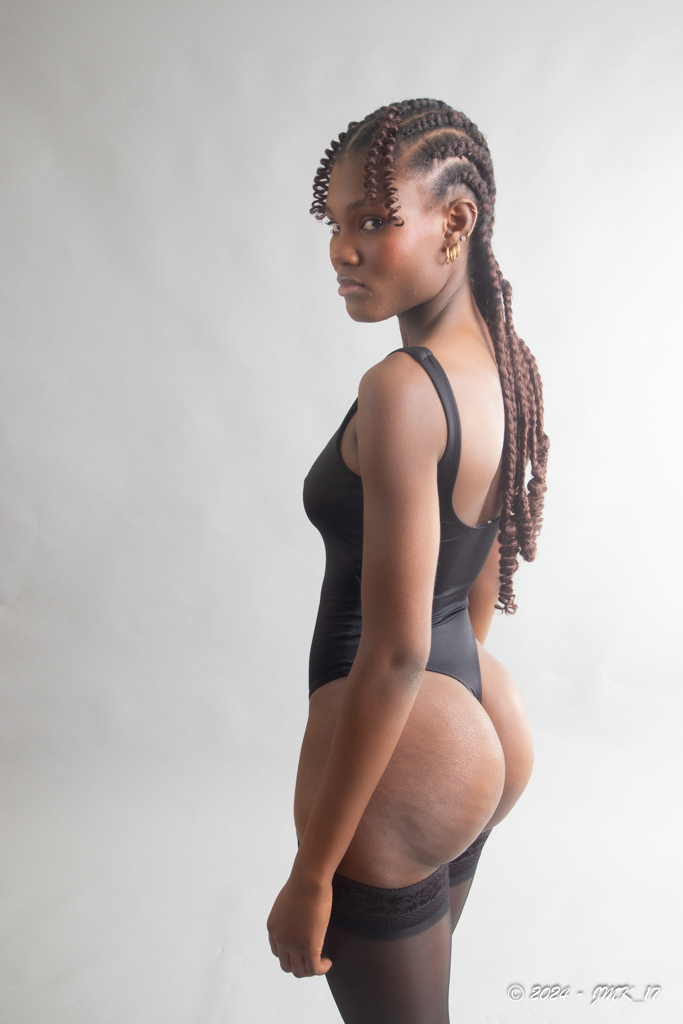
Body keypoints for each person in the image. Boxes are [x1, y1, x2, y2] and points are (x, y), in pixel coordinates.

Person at [266, 98, 549, 1024]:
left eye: (371, 222)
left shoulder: (401, 390)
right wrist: (456, 720)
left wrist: (312, 873)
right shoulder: (501, 363)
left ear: (454, 222)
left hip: (402, 752)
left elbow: (392, 655)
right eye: (335, 224)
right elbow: (473, 582)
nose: (341, 250)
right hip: (470, 716)